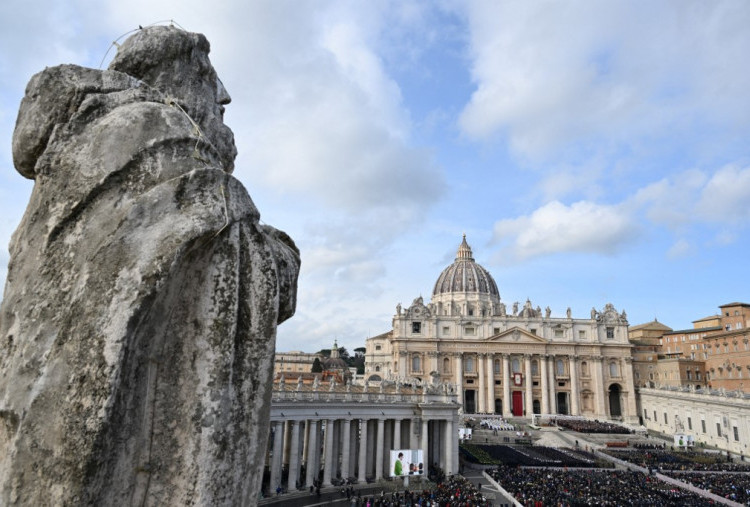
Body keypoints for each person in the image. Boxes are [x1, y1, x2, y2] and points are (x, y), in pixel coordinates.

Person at [0, 26, 299, 506]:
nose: (224, 97)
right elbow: (254, 268)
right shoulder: (169, 145)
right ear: (177, 78)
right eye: (209, 81)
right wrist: (284, 252)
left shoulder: (77, 147)